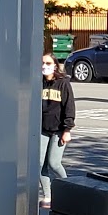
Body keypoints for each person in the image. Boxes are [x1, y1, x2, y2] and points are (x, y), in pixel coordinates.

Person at [39, 51, 76, 206]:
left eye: (48, 63)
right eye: (42, 63)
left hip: (59, 129)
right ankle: (48, 196)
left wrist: (67, 130)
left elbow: (69, 107)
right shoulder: (38, 82)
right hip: (42, 129)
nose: (44, 66)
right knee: (39, 164)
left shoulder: (63, 83)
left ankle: (69, 190)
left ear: (55, 66)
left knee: (54, 163)